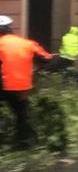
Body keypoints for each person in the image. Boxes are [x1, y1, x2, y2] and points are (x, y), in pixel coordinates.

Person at [0, 15, 55, 149]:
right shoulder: (27, 43)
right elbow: (47, 58)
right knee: (22, 114)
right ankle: (26, 143)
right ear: (10, 29)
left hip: (2, 86)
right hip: (22, 87)